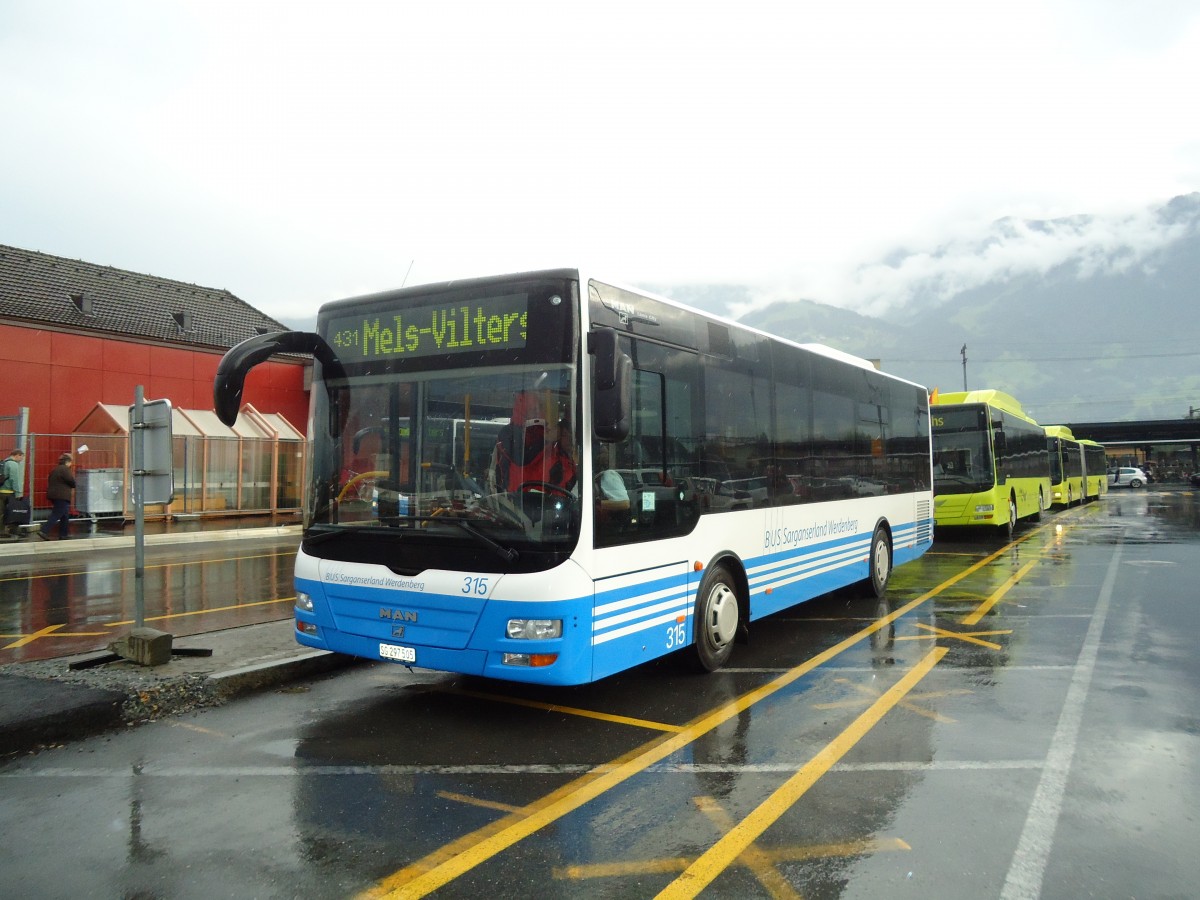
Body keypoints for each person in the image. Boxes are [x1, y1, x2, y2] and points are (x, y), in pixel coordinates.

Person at [38, 453, 75, 540]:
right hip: (61, 495)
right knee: (57, 513)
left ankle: (63, 534)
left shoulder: (55, 469)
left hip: (54, 494)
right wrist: (74, 484)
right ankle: (44, 530)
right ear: (67, 462)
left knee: (65, 515)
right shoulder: (65, 469)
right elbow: (71, 481)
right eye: (71, 462)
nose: (71, 464)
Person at [0, 449, 25, 538]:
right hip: (9, 492)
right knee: (14, 511)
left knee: (1, 512)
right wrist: (18, 493)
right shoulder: (13, 464)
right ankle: (14, 530)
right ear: (17, 455)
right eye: (22, 457)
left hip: (1, 491)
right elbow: (14, 480)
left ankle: (1, 531)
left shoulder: (4, 462)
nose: (22, 459)